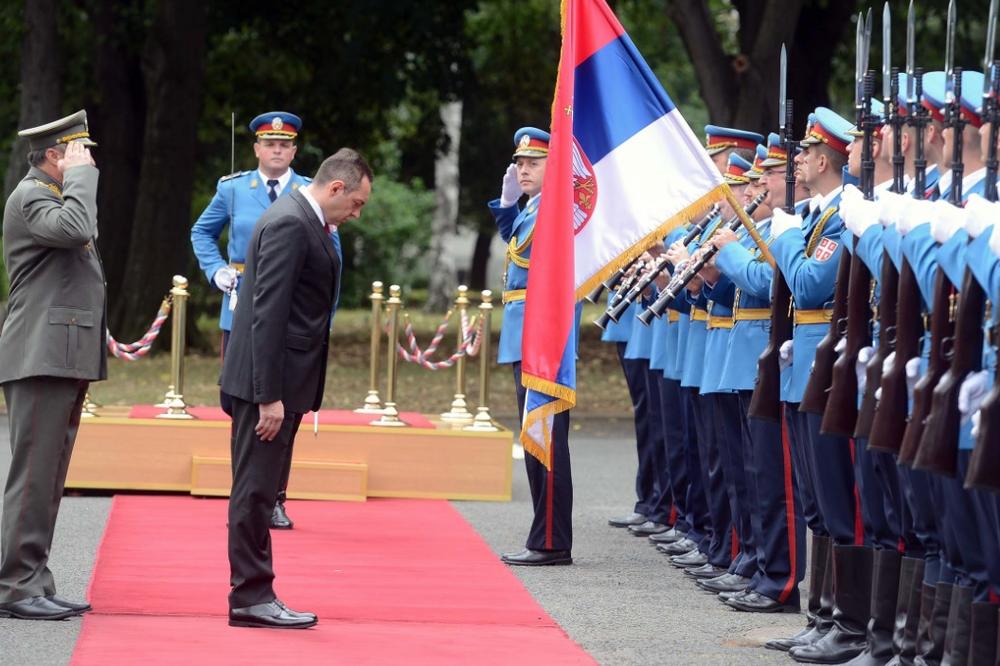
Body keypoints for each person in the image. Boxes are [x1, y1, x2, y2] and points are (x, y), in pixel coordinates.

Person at [220, 148, 371, 629]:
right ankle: (250, 595)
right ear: (335, 188)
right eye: (357, 203)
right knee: (255, 492)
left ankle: (256, 592)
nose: (356, 214)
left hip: (278, 382)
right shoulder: (290, 223)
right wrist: (268, 396)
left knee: (260, 490)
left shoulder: (300, 218)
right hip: (268, 386)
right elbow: (267, 314)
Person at [0, 111, 105, 620]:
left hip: (59, 352)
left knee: (49, 476)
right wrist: (82, 178)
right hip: (39, 353)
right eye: (79, 153)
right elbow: (76, 227)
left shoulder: (57, 194)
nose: (89, 161)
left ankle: (33, 580)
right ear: (52, 156)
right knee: (32, 478)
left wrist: (79, 177)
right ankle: (15, 588)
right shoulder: (32, 195)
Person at [191, 111, 317, 530]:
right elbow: (201, 232)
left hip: (293, 310)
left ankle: (276, 496)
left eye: (285, 144)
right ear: (257, 148)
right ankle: (246, 490)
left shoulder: (308, 191)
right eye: (270, 143)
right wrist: (216, 270)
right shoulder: (233, 190)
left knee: (289, 406)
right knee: (240, 402)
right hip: (241, 304)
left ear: (294, 150)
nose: (277, 150)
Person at [490, 127, 574, 567]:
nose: (523, 170)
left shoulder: (555, 212)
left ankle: (552, 540)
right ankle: (543, 535)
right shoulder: (533, 210)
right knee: (534, 436)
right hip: (525, 335)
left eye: (534, 163)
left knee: (548, 440)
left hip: (543, 336)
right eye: (520, 163)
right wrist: (507, 207)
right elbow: (519, 248)